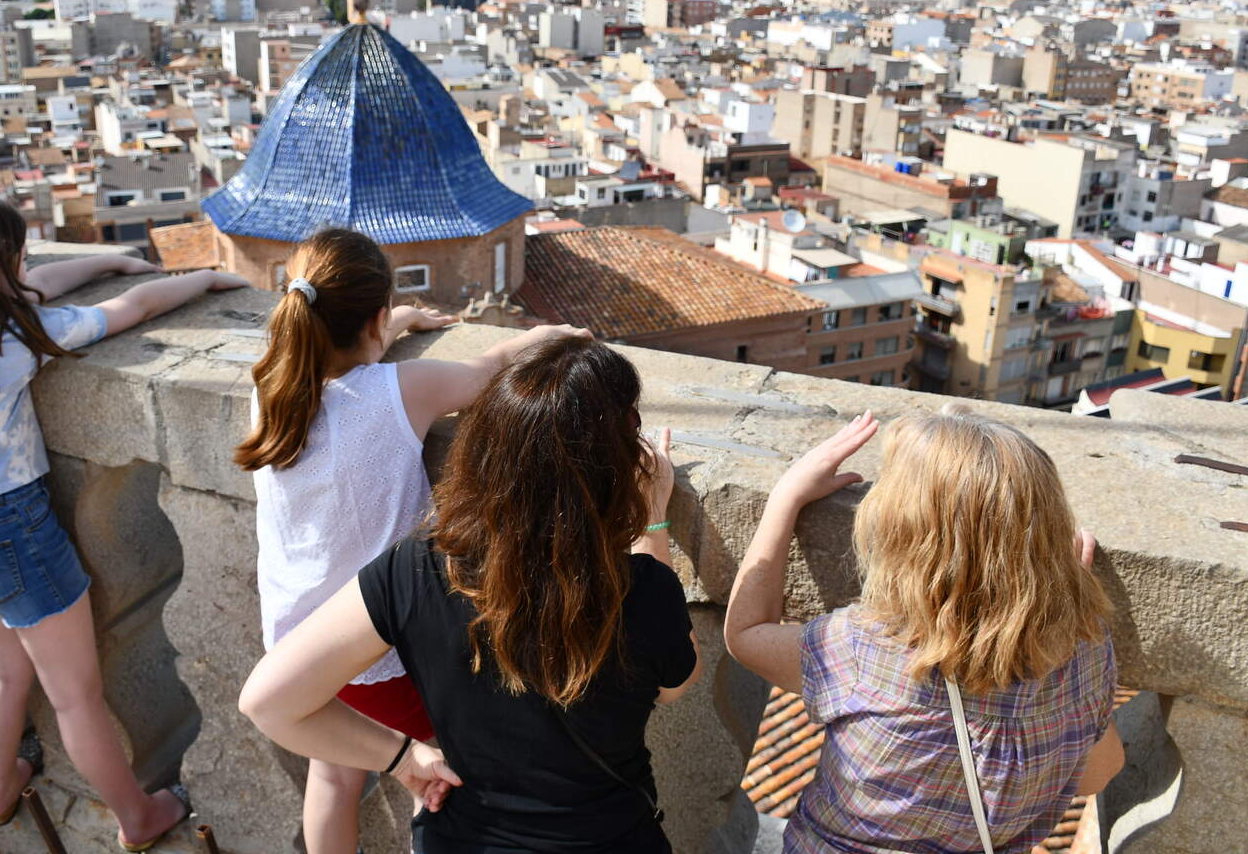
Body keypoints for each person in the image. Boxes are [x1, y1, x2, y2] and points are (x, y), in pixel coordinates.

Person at [239, 334, 702, 854]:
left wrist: (401, 759)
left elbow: (267, 703)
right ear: (616, 462)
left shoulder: (417, 567)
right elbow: (672, 687)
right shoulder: (641, 588)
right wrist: (653, 522)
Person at [0, 195, 248, 851]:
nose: (26, 266)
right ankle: (138, 817)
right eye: (16, 256)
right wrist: (200, 280)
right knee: (76, 697)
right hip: (10, 535)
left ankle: (0, 790)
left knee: (7, 671)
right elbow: (131, 312)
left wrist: (108, 259)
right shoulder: (5, 346)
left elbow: (33, 288)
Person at [233, 226, 591, 854]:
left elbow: (340, 357)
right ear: (369, 320)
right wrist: (537, 338)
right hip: (384, 652)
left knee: (335, 774)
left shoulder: (268, 387)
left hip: (302, 645)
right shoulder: (403, 390)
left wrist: (390, 323)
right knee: (436, 777)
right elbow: (485, 373)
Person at [725, 405, 1125, 854]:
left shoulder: (859, 649)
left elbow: (746, 634)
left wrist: (785, 497)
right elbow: (1097, 773)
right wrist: (1065, 596)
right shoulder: (1083, 652)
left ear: (902, 531)